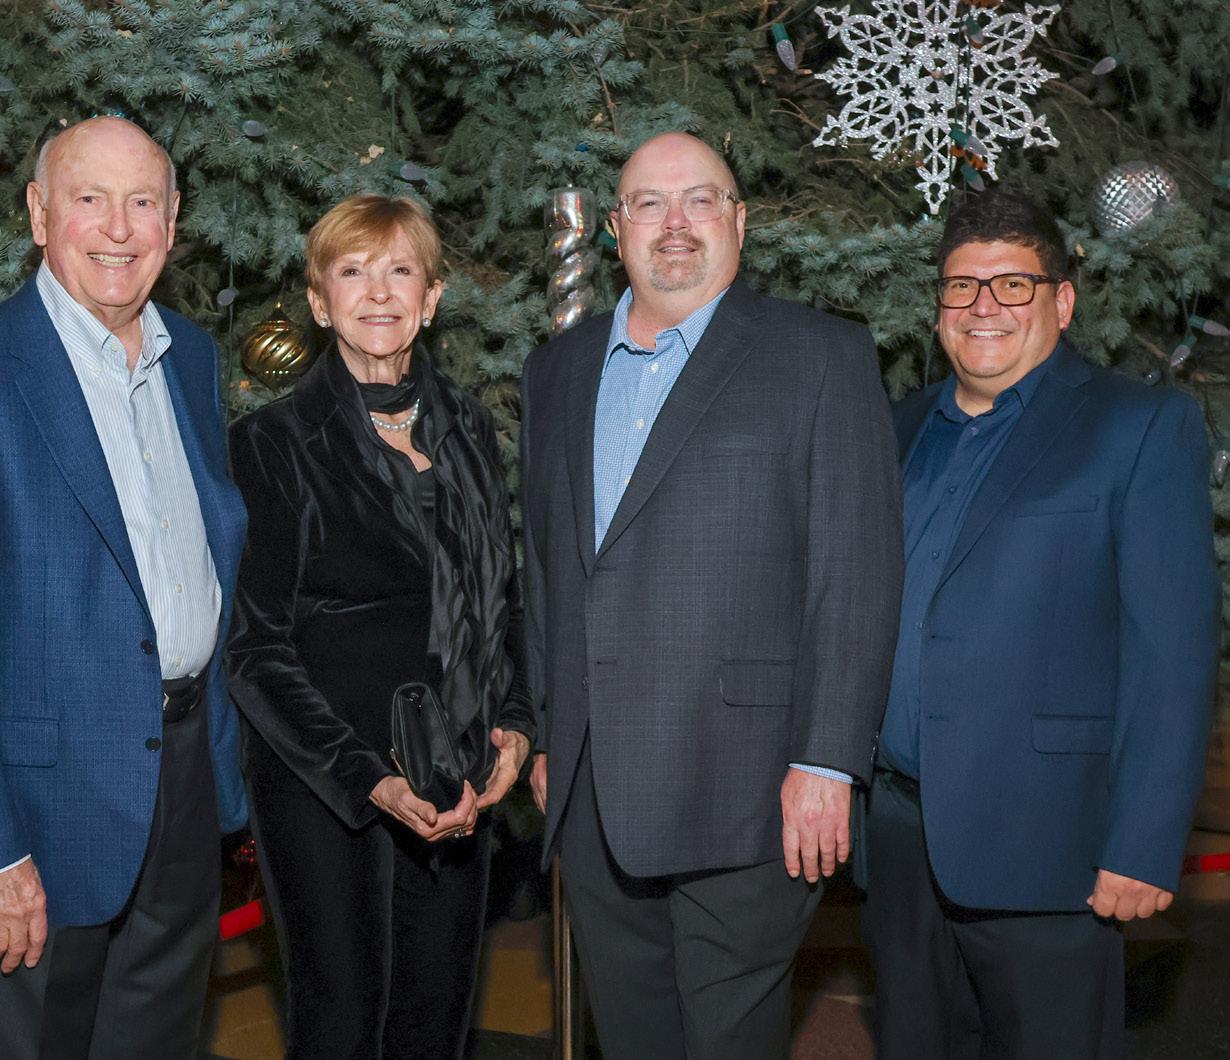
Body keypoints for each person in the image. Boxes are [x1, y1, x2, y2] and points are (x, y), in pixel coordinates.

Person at [519, 131, 904, 1058]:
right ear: (616, 229)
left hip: (752, 786)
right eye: (649, 203)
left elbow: (856, 573)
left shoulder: (820, 355)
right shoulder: (558, 371)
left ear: (740, 220)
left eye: (701, 199)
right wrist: (547, 731)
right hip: (594, 791)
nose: (676, 223)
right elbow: (542, 568)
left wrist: (828, 761)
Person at [0, 116, 249, 1058]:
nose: (118, 229)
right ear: (41, 215)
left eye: (142, 203)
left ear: (172, 221)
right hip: (34, 816)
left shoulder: (192, 359)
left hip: (182, 784)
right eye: (90, 199)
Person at [861, 189, 1220, 1059]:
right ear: (939, 306)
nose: (982, 306)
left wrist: (1143, 844)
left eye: (1012, 285)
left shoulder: (1139, 427)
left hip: (1051, 846)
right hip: (901, 839)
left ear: (1061, 301)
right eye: (962, 286)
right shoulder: (897, 428)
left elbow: (1172, 658)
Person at [225, 193, 534, 1060]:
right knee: (341, 1025)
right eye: (352, 271)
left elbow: (501, 598)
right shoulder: (274, 442)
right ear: (320, 303)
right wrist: (368, 779)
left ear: (431, 298)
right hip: (329, 788)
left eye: (401, 270)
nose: (378, 292)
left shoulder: (469, 427)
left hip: (457, 780)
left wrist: (515, 725)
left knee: (436, 1020)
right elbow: (255, 647)